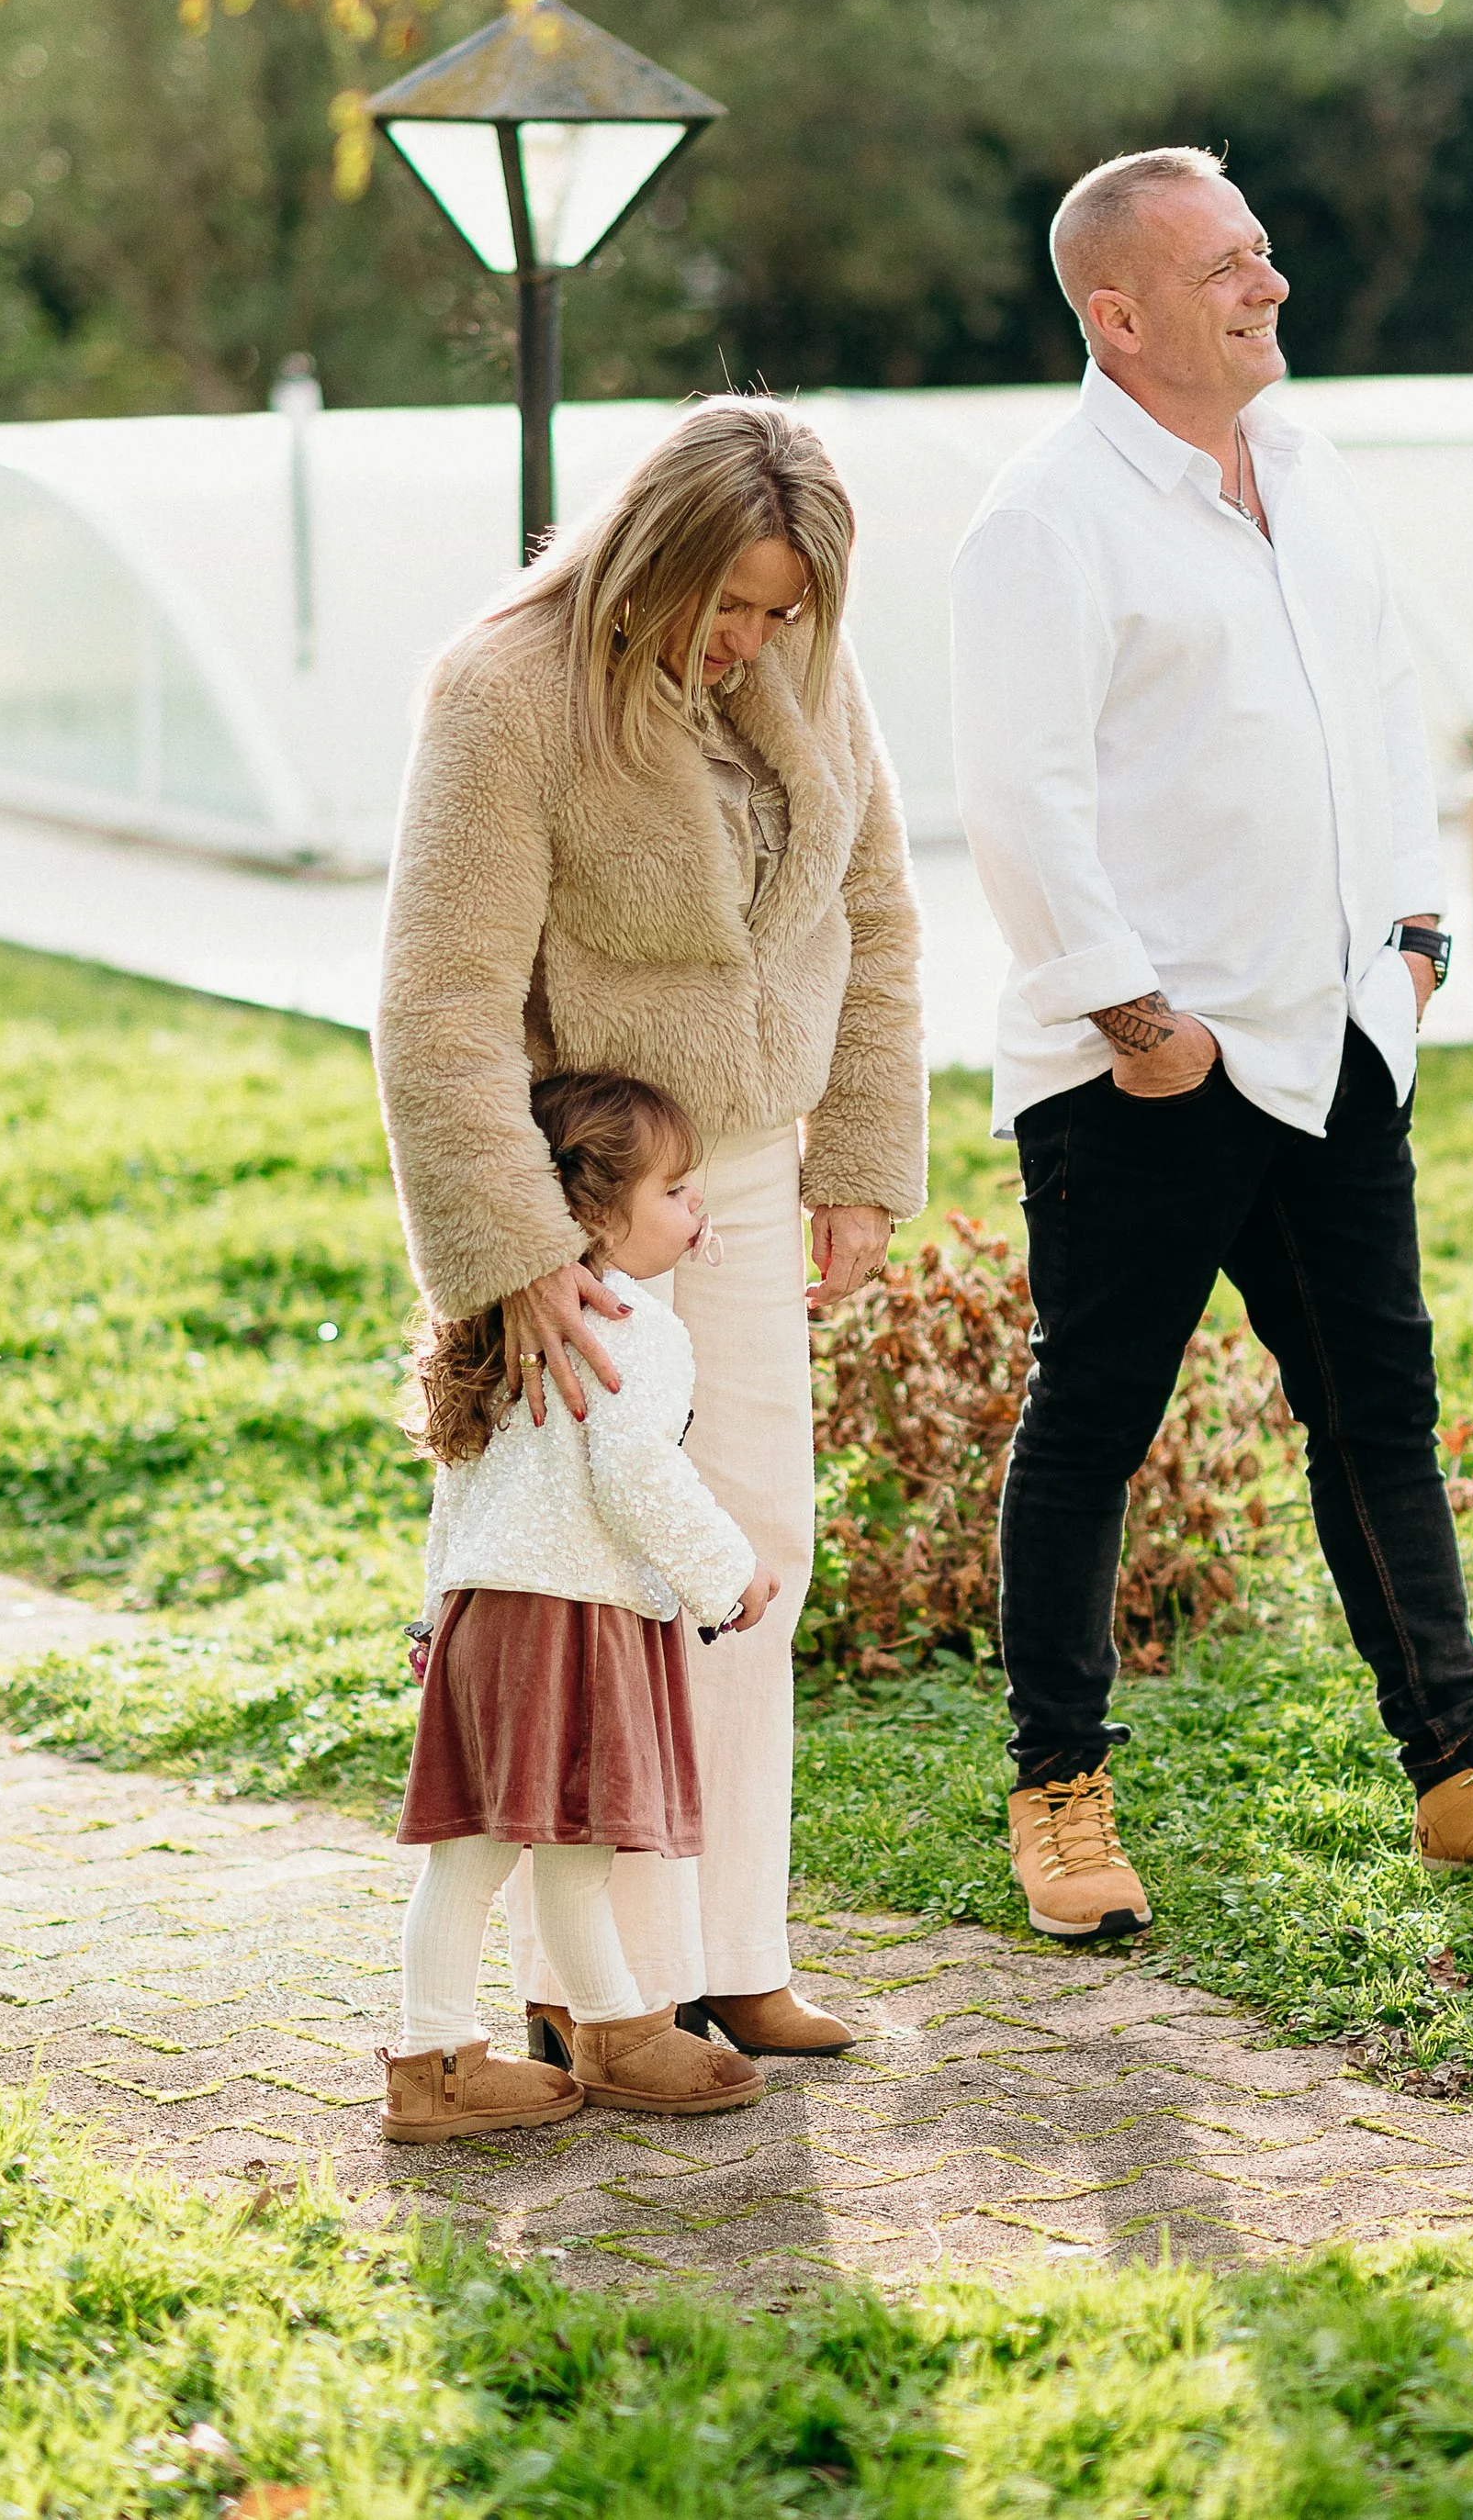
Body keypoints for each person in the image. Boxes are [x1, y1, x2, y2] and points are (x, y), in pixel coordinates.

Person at [950, 146, 1473, 1939]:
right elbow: (1015, 804)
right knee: (1092, 1423)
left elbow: (1378, 715)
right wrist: (1135, 1020)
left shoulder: (1313, 476)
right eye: (1223, 268)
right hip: (1149, 1066)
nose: (1266, 286)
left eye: (1261, 253)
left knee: (1378, 1420)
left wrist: (1409, 939)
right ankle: (1057, 1798)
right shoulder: (1043, 518)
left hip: (1338, 1042)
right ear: (1116, 315)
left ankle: (1458, 1774)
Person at [374, 397, 926, 2060]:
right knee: (599, 1587)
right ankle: (594, 1992)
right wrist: (517, 1246)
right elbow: (441, 1003)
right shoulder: (502, 690)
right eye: (732, 603)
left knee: (750, 1550)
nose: (752, 641)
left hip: (751, 1178)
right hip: (588, 1201)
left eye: (782, 613)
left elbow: (878, 911)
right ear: (651, 549)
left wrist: (861, 1159)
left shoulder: (803, 667)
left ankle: (731, 1948)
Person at [380, 1071, 772, 2138]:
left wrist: (435, 1618)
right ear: (596, 1211)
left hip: (493, 1615)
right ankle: (431, 2057)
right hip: (568, 1616)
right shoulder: (633, 1321)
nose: (699, 1211)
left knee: (568, 1848)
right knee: (481, 1855)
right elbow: (633, 1472)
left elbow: (456, 1488)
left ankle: (613, 2028)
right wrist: (730, 1574)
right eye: (677, 1190)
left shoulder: (507, 1315)